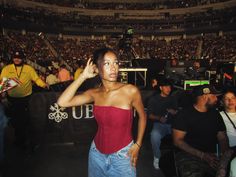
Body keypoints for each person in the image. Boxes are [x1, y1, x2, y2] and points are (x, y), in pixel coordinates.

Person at [57, 47, 146, 177]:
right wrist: (83, 76)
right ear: (97, 68)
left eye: (116, 62)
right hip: (96, 154)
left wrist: (138, 144)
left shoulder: (130, 91)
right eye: (107, 63)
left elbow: (142, 116)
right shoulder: (94, 93)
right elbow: (62, 102)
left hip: (123, 156)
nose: (113, 67)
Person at [172, 84, 230, 177]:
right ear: (205, 96)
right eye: (214, 96)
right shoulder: (184, 115)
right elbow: (177, 141)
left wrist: (223, 158)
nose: (217, 99)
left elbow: (222, 137)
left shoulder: (215, 114)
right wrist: (203, 156)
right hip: (189, 155)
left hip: (213, 155)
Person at [0, 50, 48, 149]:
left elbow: (36, 79)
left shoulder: (29, 68)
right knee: (16, 121)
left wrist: (43, 84)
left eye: (19, 57)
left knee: (25, 120)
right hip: (12, 100)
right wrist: (4, 98)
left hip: (26, 99)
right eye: (15, 57)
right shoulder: (7, 69)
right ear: (12, 58)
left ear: (23, 59)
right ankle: (19, 140)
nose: (17, 59)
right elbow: (2, 84)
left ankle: (25, 140)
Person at [147, 78, 178, 169]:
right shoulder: (153, 99)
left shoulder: (173, 99)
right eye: (166, 87)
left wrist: (174, 112)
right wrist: (159, 118)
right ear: (161, 88)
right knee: (154, 135)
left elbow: (177, 112)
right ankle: (157, 157)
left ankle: (184, 157)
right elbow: (149, 115)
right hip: (160, 125)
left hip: (173, 124)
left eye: (169, 87)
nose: (169, 89)